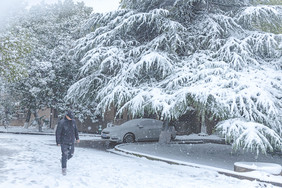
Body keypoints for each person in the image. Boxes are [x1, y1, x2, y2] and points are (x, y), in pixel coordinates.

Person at [56, 110, 80, 175]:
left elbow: (76, 130)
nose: (71, 118)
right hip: (64, 141)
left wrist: (77, 138)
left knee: (71, 154)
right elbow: (58, 133)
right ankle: (64, 168)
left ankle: (63, 160)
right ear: (66, 116)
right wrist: (58, 141)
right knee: (64, 154)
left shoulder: (73, 122)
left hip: (71, 140)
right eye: (70, 117)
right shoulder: (62, 122)